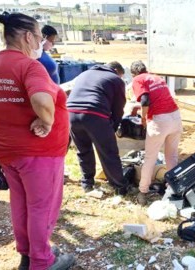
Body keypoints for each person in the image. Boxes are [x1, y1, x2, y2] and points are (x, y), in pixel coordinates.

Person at [0, 12, 75, 270]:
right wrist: (46, 122)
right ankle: (42, 262)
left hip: (8, 150)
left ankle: (29, 254)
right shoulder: (29, 66)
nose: (40, 42)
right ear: (27, 36)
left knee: (21, 203)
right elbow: (42, 100)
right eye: (38, 36)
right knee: (42, 207)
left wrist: (2, 141)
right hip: (38, 152)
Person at [67, 61, 129, 195]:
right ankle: (119, 186)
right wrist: (113, 127)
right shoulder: (115, 80)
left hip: (71, 114)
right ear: (117, 71)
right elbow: (118, 108)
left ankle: (87, 183)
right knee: (108, 152)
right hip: (94, 114)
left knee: (83, 150)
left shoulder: (85, 74)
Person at [130, 60, 182, 205]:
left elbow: (145, 100)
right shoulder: (157, 77)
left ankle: (143, 191)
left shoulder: (137, 79)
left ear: (133, 73)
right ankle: (173, 188)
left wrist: (144, 118)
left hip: (160, 120)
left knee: (150, 158)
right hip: (175, 117)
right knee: (171, 156)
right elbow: (155, 98)